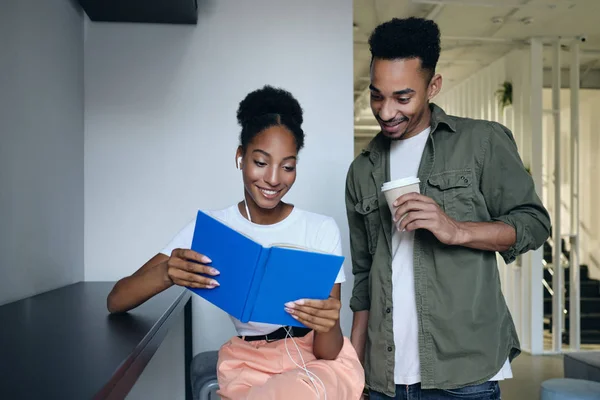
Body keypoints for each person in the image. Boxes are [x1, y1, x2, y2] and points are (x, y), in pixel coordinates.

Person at [107, 86, 364, 400]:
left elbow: (327, 351)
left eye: (287, 166)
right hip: (248, 361)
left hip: (314, 363)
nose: (273, 179)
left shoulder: (321, 229)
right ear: (240, 157)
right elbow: (116, 300)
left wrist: (328, 322)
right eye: (260, 162)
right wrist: (167, 274)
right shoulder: (213, 230)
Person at [345, 18, 551, 400]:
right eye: (377, 95)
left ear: (433, 86)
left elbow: (534, 223)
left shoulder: (481, 142)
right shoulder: (362, 169)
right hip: (383, 378)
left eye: (402, 97)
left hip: (464, 374)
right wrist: (353, 370)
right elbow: (364, 278)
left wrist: (457, 229)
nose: (386, 112)